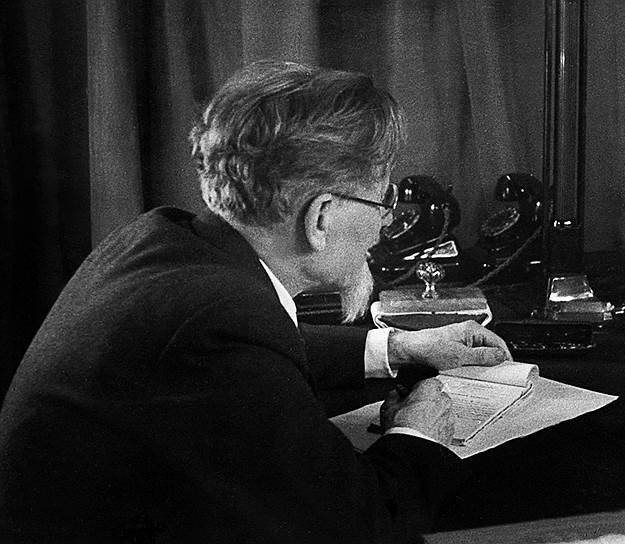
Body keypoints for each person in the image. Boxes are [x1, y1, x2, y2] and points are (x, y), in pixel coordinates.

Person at [0, 61, 511, 543]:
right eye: (382, 200)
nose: (385, 221)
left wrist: (398, 348)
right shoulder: (218, 333)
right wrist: (419, 435)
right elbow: (358, 529)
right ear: (320, 218)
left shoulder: (164, 241)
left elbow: (260, 344)